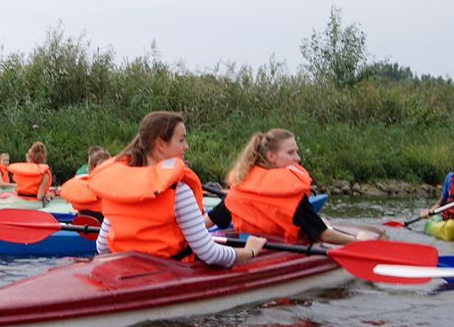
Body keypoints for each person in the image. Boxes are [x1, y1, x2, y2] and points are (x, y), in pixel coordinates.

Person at [87, 111, 265, 265]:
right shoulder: (178, 191)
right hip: (169, 274)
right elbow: (209, 253)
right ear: (160, 145)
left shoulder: (119, 188)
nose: (186, 146)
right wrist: (250, 251)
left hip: (126, 273)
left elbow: (102, 247)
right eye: (181, 140)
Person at [205, 129, 359, 245]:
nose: (298, 158)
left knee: (322, 220)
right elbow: (324, 235)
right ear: (271, 156)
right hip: (280, 254)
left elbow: (206, 222)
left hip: (249, 251)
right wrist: (357, 241)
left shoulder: (239, 191)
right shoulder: (292, 198)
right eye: (291, 153)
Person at [59, 147, 110, 223]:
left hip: (81, 228)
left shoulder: (79, 187)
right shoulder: (113, 191)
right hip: (103, 228)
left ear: (90, 167)